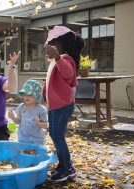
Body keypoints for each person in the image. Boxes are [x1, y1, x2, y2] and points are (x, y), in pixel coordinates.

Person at [42, 26, 84, 182]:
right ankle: (64, 163)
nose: (50, 48)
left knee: (58, 136)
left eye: (53, 44)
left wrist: (58, 58)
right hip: (54, 106)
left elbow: (68, 74)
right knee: (54, 134)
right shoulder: (55, 61)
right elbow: (49, 81)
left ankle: (68, 168)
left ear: (60, 46)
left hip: (63, 105)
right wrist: (44, 94)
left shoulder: (66, 59)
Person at [8, 79, 48, 145]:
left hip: (37, 141)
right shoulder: (21, 107)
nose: (26, 97)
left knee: (35, 155)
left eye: (29, 95)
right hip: (22, 140)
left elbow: (46, 125)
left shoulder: (41, 109)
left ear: (36, 96)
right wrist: (13, 117)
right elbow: (18, 121)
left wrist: (38, 123)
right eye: (24, 94)